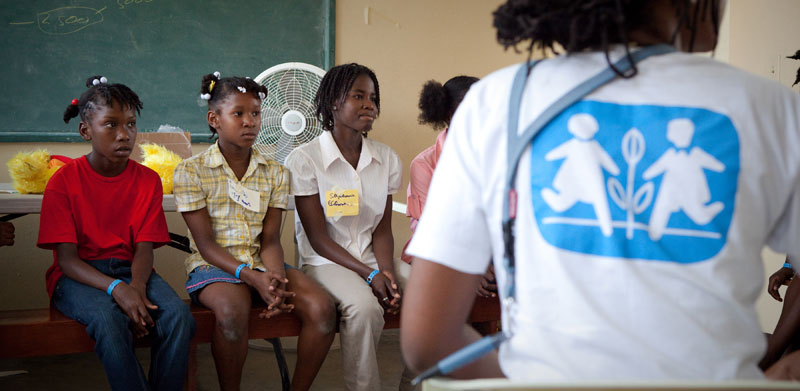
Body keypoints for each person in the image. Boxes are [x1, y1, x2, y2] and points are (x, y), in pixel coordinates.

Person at [402, 0, 800, 382]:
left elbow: (427, 339)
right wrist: (783, 366)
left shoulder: (498, 101)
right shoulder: (773, 110)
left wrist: (534, 379)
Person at [173, 73, 336, 391]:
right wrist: (253, 277)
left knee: (323, 308)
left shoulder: (276, 172)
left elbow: (271, 239)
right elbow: (205, 245)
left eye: (256, 113)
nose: (250, 122)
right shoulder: (191, 171)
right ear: (214, 118)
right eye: (238, 114)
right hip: (215, 267)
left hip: (262, 262)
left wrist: (275, 279)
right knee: (232, 315)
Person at [38, 75, 195, 390]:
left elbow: (144, 249)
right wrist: (117, 290)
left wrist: (135, 286)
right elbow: (67, 261)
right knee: (109, 320)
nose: (124, 135)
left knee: (179, 316)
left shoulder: (147, 181)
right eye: (111, 125)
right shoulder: (63, 182)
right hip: (77, 277)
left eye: (131, 124)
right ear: (86, 131)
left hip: (131, 269)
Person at [284, 63, 414, 391]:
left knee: (425, 291)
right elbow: (317, 237)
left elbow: (382, 230)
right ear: (333, 103)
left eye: (373, 97)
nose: (369, 104)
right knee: (364, 308)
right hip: (324, 260)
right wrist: (370, 277)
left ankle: (415, 383)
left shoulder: (387, 159)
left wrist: (386, 274)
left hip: (371, 255)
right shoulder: (305, 159)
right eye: (358, 96)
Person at [401, 76, 497, 297]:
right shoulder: (424, 164)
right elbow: (433, 230)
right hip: (436, 252)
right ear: (447, 114)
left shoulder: (497, 156)